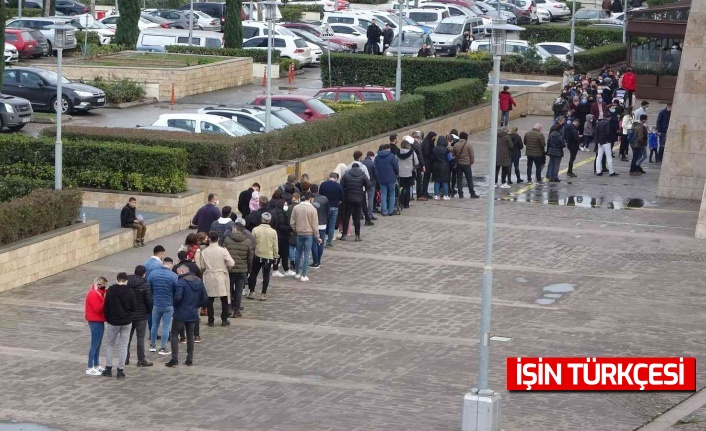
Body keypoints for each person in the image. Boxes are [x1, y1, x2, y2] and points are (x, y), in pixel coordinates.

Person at [165, 266, 209, 367]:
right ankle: (189, 358)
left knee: (175, 334)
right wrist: (196, 305)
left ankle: (174, 358)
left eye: (178, 273)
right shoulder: (199, 281)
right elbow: (205, 298)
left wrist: (175, 305)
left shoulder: (181, 282)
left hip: (181, 312)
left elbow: (178, 297)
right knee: (190, 335)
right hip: (193, 312)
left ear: (182, 271)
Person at [102, 272, 135, 379]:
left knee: (110, 344)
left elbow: (106, 306)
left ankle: (108, 368)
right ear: (126, 281)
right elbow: (133, 307)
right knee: (123, 345)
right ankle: (120, 370)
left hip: (113, 321)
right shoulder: (130, 291)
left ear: (117, 280)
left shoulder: (111, 290)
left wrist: (108, 319)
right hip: (126, 322)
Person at [199, 231, 235, 326]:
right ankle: (224, 319)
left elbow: (202, 266)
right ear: (218, 238)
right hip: (221, 275)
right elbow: (231, 263)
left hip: (209, 276)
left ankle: (211, 320)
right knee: (224, 298)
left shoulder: (204, 251)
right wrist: (226, 267)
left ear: (209, 239)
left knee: (210, 299)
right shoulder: (223, 250)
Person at [147, 256, 177, 355]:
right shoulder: (173, 276)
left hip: (156, 304)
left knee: (154, 325)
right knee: (166, 326)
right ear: (171, 265)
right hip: (168, 304)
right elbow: (176, 290)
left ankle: (152, 345)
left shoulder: (153, 274)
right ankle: (163, 348)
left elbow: (149, 288)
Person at [125, 265, 153, 367]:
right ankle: (141, 359)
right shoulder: (145, 284)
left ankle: (125, 358)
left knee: (127, 337)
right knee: (140, 337)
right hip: (141, 315)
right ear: (143, 273)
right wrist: (148, 311)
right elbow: (149, 301)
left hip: (128, 314)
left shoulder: (126, 282)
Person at [246, 212, 278, 301]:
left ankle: (252, 292)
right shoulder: (273, 232)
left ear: (261, 219)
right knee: (266, 275)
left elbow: (251, 243)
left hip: (257, 254)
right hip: (268, 256)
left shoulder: (255, 230)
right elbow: (275, 246)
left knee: (253, 274)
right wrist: (276, 256)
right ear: (270, 220)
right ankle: (263, 294)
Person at [224, 221, 253, 317]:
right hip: (242, 269)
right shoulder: (248, 241)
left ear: (235, 229)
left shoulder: (227, 240)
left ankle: (228, 307)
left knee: (229, 289)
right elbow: (250, 258)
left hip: (229, 269)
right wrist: (249, 270)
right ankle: (237, 310)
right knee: (239, 290)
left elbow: (224, 255)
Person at [290, 192, 320, 282]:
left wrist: (296, 228)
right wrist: (317, 236)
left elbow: (292, 221)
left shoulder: (296, 207)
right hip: (309, 233)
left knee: (298, 252)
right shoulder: (313, 209)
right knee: (306, 253)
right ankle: (304, 274)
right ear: (310, 199)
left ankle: (297, 273)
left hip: (299, 233)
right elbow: (315, 224)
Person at [340, 161, 371, 241]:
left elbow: (341, 185)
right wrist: (363, 192)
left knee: (346, 216)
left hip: (349, 198)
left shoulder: (346, 174)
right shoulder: (362, 174)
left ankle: (344, 235)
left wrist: (346, 192)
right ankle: (357, 235)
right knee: (357, 217)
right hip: (359, 198)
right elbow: (369, 185)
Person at [84, 276, 107, 376]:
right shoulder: (93, 294)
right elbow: (98, 309)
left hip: (99, 320)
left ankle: (96, 364)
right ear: (98, 284)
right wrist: (105, 300)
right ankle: (90, 367)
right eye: (103, 285)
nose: (104, 287)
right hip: (94, 321)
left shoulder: (98, 293)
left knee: (98, 344)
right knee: (94, 344)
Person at [320, 172, 344, 247]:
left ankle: (322, 240)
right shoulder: (338, 186)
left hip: (324, 206)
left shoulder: (323, 184)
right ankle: (329, 242)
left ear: (329, 177)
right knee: (332, 225)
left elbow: (320, 194)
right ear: (336, 178)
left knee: (324, 223)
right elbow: (342, 197)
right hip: (334, 206)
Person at [374, 143, 399, 216]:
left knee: (383, 194)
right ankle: (391, 211)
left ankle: (384, 211)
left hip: (381, 178)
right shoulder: (392, 156)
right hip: (391, 178)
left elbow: (375, 167)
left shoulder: (377, 157)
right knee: (392, 194)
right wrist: (397, 173)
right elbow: (396, 167)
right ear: (389, 148)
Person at [309, 184, 329, 267]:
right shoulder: (324, 198)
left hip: (314, 224)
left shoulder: (310, 200)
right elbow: (328, 210)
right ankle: (319, 261)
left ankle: (315, 261)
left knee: (314, 243)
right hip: (323, 223)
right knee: (321, 243)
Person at [398, 136, 419, 208]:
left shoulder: (398, 153)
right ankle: (407, 203)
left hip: (400, 173)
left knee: (401, 188)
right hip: (409, 173)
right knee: (407, 188)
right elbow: (416, 163)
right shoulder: (412, 153)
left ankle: (401, 201)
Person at [432, 135, 451, 199]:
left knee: (436, 181)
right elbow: (449, 158)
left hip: (435, 166)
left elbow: (432, 158)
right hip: (444, 167)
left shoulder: (434, 149)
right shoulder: (446, 150)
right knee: (444, 181)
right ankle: (446, 195)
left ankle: (436, 195)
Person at [411, 132, 426, 201]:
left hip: (410, 165)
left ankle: (410, 195)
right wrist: (423, 165)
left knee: (410, 181)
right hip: (417, 165)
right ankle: (419, 195)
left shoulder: (409, 145)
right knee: (419, 180)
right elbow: (420, 155)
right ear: (417, 138)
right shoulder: (418, 145)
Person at [421, 132, 437, 199]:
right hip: (427, 162)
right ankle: (424, 192)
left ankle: (425, 191)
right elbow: (427, 153)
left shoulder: (426, 141)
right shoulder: (427, 143)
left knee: (426, 178)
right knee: (426, 178)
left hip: (427, 162)